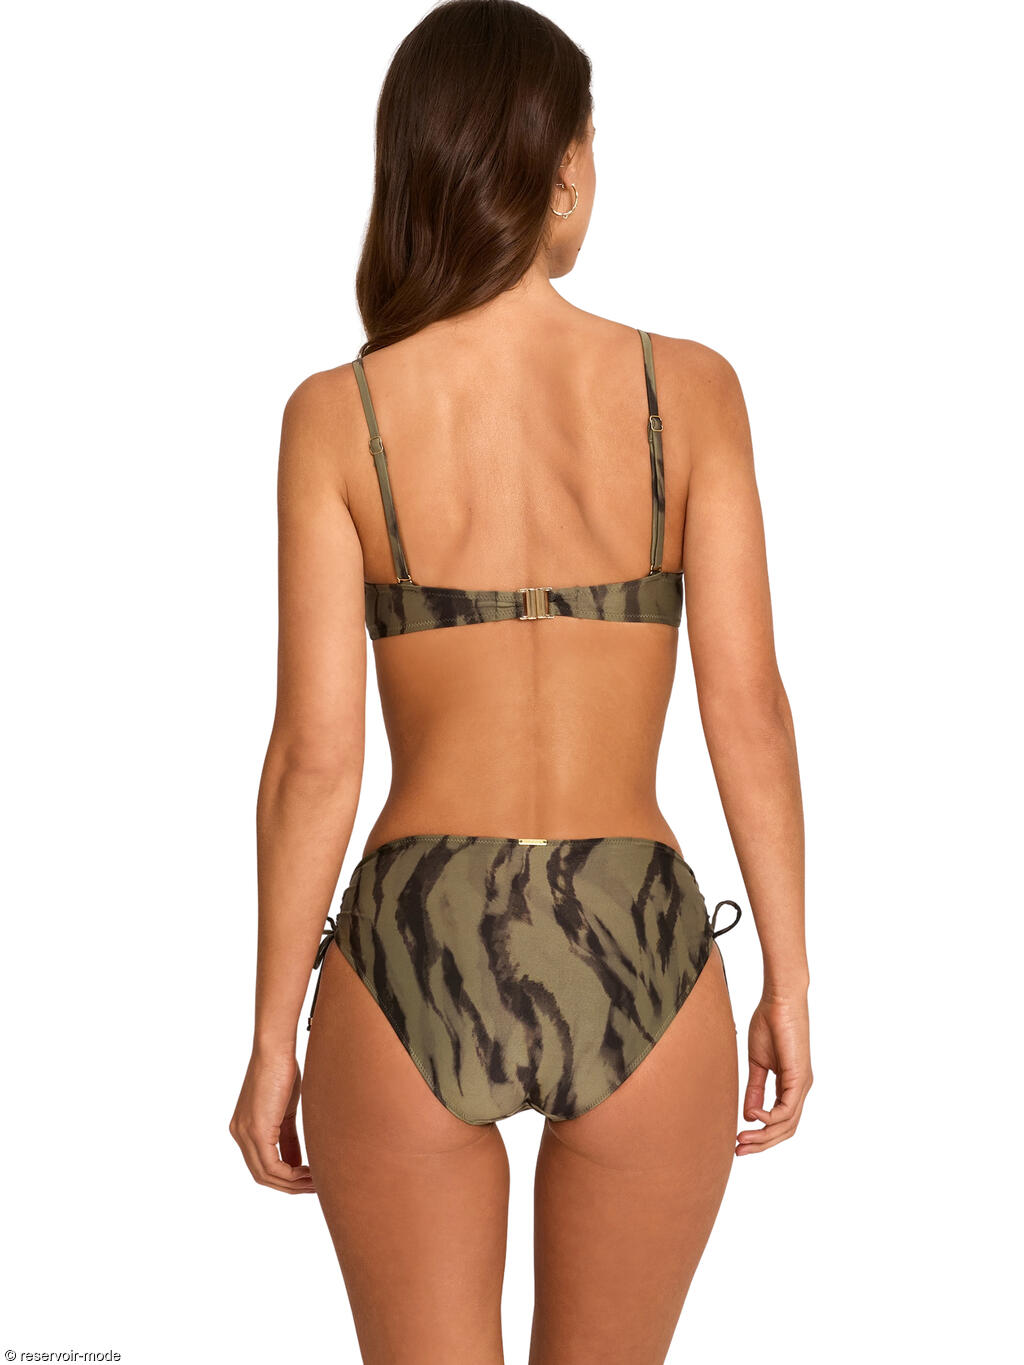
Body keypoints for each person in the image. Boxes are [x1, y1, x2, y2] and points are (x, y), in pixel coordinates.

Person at [229, 2, 812, 1361]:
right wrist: (788, 975)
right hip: (640, 941)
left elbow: (314, 758)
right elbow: (749, 711)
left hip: (412, 946)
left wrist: (270, 1034)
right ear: (560, 166)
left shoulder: (339, 416)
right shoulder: (693, 392)